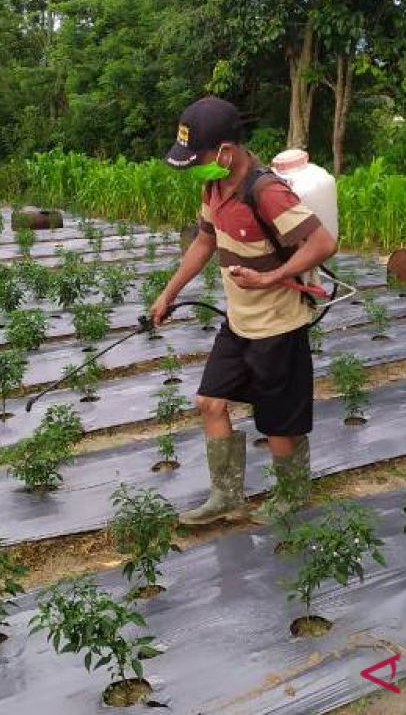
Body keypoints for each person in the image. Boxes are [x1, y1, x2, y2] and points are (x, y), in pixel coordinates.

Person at [150, 97, 337, 525]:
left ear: (225, 152)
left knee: (278, 424)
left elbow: (323, 244)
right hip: (238, 323)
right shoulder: (213, 187)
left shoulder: (266, 192)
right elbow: (204, 242)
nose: (195, 167)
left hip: (278, 326)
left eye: (198, 158)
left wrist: (272, 278)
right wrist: (168, 293)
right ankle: (227, 497)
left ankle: (291, 497)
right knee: (209, 401)